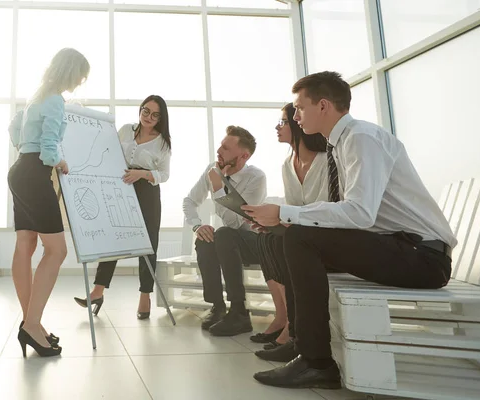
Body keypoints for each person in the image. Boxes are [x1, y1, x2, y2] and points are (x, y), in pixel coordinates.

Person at [243, 71, 456, 389]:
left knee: (300, 237)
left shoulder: (361, 138)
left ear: (323, 106)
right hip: (396, 247)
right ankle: (303, 343)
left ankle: (316, 363)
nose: (296, 115)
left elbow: (359, 212)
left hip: (422, 257)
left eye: (300, 107)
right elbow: (340, 216)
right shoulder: (341, 145)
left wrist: (287, 214)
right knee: (285, 238)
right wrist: (280, 220)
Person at [8, 48, 90, 357]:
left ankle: (33, 323)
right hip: (34, 174)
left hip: (19, 171)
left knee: (25, 245)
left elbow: (14, 128)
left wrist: (24, 147)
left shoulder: (36, 97)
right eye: (81, 74)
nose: (81, 81)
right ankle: (32, 324)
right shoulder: (55, 100)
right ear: (71, 71)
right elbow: (49, 147)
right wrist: (60, 161)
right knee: (57, 250)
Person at [74, 95, 171, 319]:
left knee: (148, 243)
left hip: (146, 190)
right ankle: (98, 291)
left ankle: (145, 295)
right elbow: (108, 152)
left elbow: (164, 175)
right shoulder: (127, 130)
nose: (148, 117)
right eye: (146, 111)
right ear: (140, 109)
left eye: (155, 114)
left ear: (160, 118)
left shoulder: (163, 142)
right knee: (114, 236)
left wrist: (142, 174)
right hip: (120, 186)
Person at [252, 103, 328, 364]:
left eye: (283, 122)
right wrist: (273, 222)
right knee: (266, 236)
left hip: (325, 234)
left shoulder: (326, 160)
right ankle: (286, 319)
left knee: (287, 240)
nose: (278, 126)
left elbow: (327, 208)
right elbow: (295, 208)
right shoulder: (288, 164)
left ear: (297, 126)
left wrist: (285, 220)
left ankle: (292, 330)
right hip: (302, 233)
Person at [183, 126, 266, 336]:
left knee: (224, 233)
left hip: (254, 243)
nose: (219, 151)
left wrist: (220, 188)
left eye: (226, 148)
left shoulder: (256, 178)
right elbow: (190, 201)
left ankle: (239, 312)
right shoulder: (213, 169)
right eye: (221, 145)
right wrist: (197, 225)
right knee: (205, 238)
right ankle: (217, 306)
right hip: (227, 242)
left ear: (243, 156)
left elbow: (237, 222)